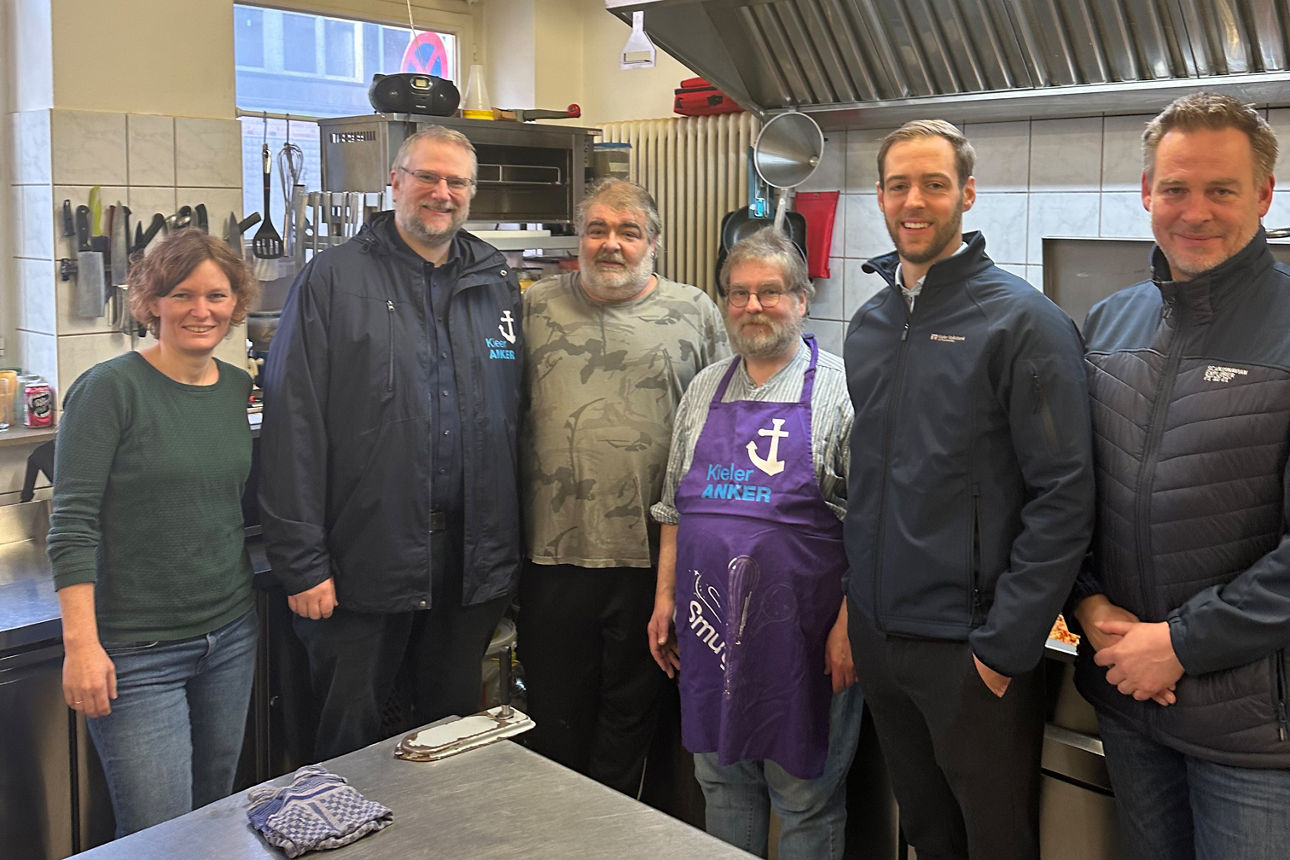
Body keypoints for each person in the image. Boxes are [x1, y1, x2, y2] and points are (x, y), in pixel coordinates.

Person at [843, 119, 1095, 859]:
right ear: (881, 195)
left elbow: (1065, 494)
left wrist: (1003, 646)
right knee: (925, 834)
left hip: (970, 651)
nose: (913, 201)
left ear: (968, 194)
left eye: (934, 184)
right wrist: (858, 613)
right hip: (882, 640)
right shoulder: (871, 322)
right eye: (898, 185)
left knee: (995, 844)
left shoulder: (1021, 322)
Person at [1070, 92, 1290, 859]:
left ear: (1264, 195)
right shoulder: (1110, 323)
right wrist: (1088, 602)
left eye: (1220, 190)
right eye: (1175, 189)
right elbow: (1074, 494)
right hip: (1130, 701)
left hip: (1253, 731)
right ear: (1146, 194)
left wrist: (1181, 645)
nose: (1194, 212)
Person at [259, 125, 524, 760]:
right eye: (427, 177)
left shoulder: (496, 284)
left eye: (456, 181)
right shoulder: (332, 280)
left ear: (471, 193)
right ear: (394, 182)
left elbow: (514, 415)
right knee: (348, 747)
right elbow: (292, 426)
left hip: (469, 566)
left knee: (448, 742)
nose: (441, 192)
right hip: (362, 564)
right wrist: (302, 561)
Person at [647, 227, 863, 858]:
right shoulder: (704, 389)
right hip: (708, 631)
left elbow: (870, 528)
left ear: (802, 298)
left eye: (770, 292)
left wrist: (850, 624)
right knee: (722, 784)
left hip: (806, 641)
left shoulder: (841, 390)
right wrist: (665, 599)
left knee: (806, 795)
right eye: (738, 294)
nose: (753, 307)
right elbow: (673, 509)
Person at [519, 178, 728, 795]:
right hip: (552, 555)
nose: (612, 244)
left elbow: (722, 422)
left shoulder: (694, 311)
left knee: (634, 722)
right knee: (555, 718)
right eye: (598, 229)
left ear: (653, 243)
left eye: (628, 232)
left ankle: (612, 835)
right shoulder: (533, 307)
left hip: (652, 560)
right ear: (578, 239)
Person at [48, 229, 259, 837]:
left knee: (215, 817)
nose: (201, 310)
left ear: (235, 302)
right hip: (136, 653)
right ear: (152, 302)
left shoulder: (234, 388)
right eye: (182, 294)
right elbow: (72, 525)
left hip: (230, 634)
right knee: (158, 836)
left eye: (216, 296)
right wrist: (82, 646)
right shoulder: (109, 389)